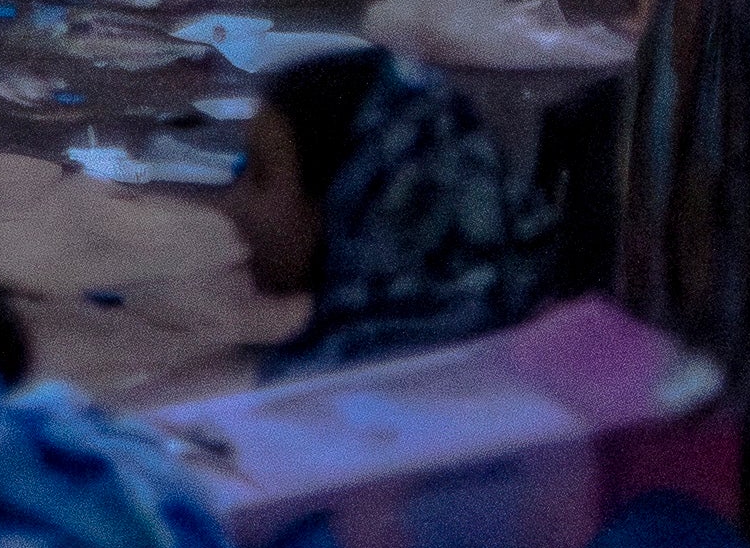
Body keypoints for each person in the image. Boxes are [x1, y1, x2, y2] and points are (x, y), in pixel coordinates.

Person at [231, 47, 560, 371]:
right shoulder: (549, 360)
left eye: (262, 176)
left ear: (356, 198)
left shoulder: (328, 397)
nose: (236, 206)